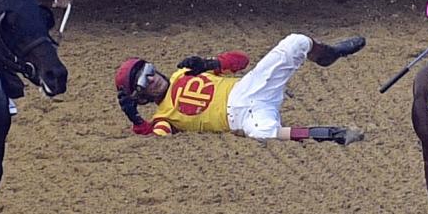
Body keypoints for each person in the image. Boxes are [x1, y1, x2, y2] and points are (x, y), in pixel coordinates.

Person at [115, 37, 367, 141]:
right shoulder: (164, 117)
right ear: (141, 97)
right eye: (142, 83)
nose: (151, 80)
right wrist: (136, 119)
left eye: (148, 71)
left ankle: (327, 54)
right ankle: (331, 134)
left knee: (296, 41)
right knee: (264, 134)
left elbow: (242, 60)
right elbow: (154, 136)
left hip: (247, 89)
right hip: (242, 118)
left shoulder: (185, 72)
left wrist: (211, 63)